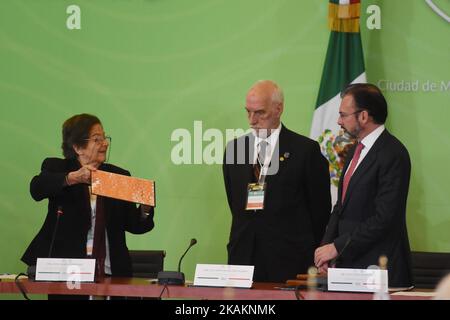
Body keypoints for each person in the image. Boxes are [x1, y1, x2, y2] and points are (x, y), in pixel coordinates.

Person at [22, 114, 155, 298]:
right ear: (77, 147)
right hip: (68, 274)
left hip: (112, 274)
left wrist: (145, 208)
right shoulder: (58, 167)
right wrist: (72, 178)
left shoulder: (117, 176)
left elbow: (134, 225)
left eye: (105, 138)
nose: (105, 144)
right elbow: (36, 188)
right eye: (96, 139)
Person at [223, 80, 331, 283]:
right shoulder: (234, 150)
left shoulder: (305, 151)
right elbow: (235, 204)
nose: (251, 120)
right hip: (243, 257)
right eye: (248, 112)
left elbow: (320, 210)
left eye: (259, 112)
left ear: (278, 109)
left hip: (289, 259)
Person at [314, 83, 413, 288]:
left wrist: (338, 247)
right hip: (349, 266)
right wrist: (326, 247)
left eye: (343, 115)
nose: (338, 121)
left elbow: (385, 218)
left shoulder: (393, 153)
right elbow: (340, 207)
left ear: (364, 116)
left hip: (379, 268)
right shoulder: (354, 151)